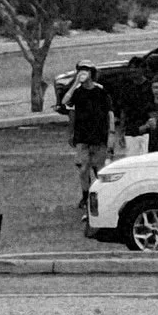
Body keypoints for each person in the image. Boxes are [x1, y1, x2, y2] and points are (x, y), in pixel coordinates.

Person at [64, 64, 115, 215]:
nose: (81, 75)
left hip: (98, 135)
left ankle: (101, 195)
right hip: (82, 136)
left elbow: (109, 112)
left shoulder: (100, 91)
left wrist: (110, 134)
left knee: (99, 168)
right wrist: (75, 84)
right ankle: (85, 195)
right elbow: (66, 103)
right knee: (83, 168)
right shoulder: (77, 92)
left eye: (84, 73)